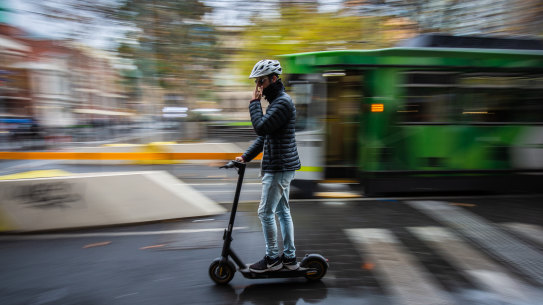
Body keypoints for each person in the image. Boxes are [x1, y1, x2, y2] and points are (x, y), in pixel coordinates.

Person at [235, 59, 301, 273]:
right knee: (282, 212)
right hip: (280, 166)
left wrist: (254, 104)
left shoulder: (282, 103)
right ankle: (289, 258)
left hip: (279, 167)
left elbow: (260, 128)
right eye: (257, 82)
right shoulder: (277, 103)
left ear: (273, 79)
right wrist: (246, 157)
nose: (258, 87)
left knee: (265, 213)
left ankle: (273, 258)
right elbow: (267, 137)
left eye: (260, 82)